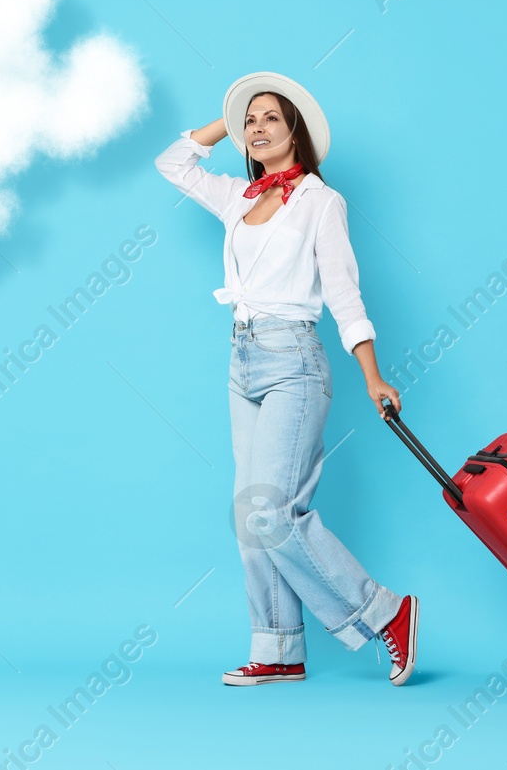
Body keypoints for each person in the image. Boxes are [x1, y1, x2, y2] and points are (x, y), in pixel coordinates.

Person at [153, 72, 419, 687]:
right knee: (250, 514)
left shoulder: (322, 202)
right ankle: (277, 649)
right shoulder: (240, 197)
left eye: (271, 117)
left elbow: (347, 296)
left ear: (296, 129)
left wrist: (374, 377)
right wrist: (229, 111)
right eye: (251, 122)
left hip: (294, 360)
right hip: (241, 359)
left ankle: (385, 614)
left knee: (272, 511)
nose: (257, 127)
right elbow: (173, 163)